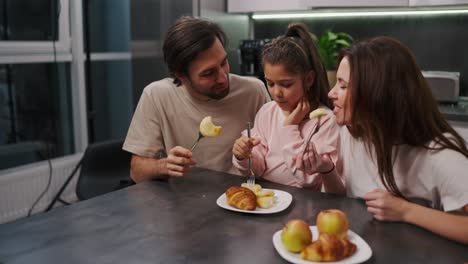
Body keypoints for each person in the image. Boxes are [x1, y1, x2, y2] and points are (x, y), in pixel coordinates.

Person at [325, 36, 468, 244]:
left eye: (343, 86)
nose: (331, 93)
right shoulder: (352, 133)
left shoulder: (440, 154)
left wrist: (406, 211)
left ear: (377, 94)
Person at [123, 16, 269, 183]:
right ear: (181, 75)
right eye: (208, 73)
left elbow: (274, 159)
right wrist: (164, 166)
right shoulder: (156, 96)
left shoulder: (254, 91)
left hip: (243, 197)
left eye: (224, 63)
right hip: (182, 202)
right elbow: (137, 171)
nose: (223, 78)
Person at [232, 23, 343, 193]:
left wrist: (290, 127)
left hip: (305, 205)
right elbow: (257, 170)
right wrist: (244, 155)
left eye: (286, 84)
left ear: (308, 79)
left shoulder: (325, 121)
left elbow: (309, 180)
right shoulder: (267, 112)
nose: (277, 93)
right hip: (268, 201)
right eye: (270, 83)